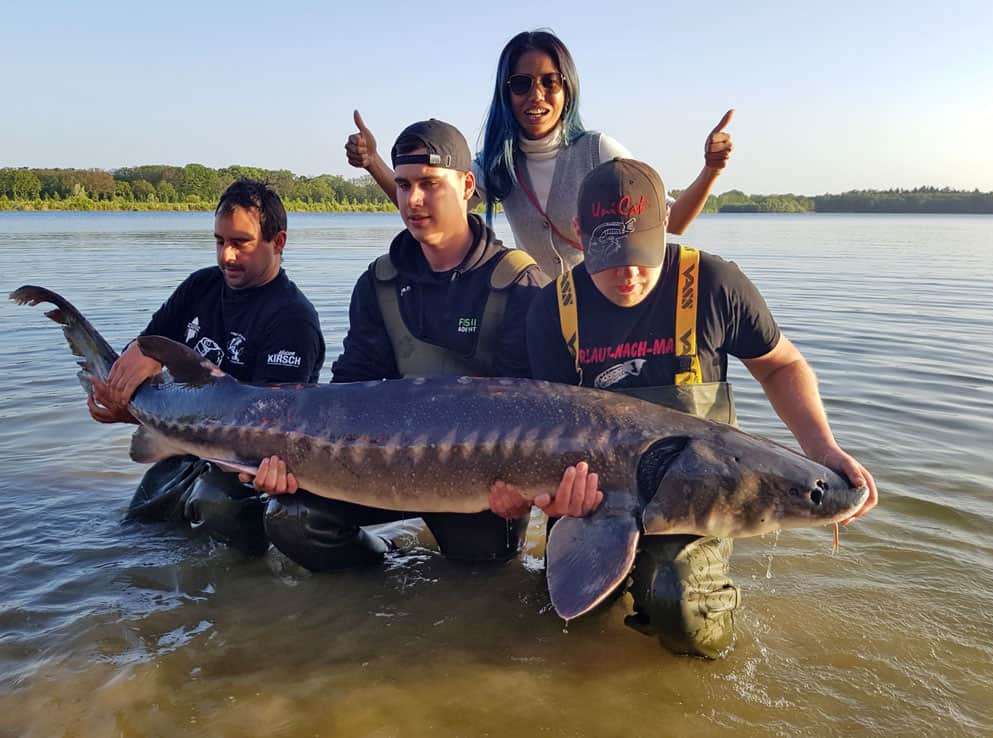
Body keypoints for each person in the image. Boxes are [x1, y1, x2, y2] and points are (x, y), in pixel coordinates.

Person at [489, 158, 878, 658]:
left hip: (701, 490)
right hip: (595, 493)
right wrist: (548, 497)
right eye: (608, 255)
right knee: (564, 623)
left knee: (684, 613)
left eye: (640, 252)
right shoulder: (553, 307)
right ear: (578, 232)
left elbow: (781, 366)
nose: (627, 272)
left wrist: (821, 447)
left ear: (666, 221)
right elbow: (547, 431)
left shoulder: (714, 283)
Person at [252, 119, 553, 570]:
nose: (413, 200)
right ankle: (384, 580)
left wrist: (524, 489)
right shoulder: (379, 282)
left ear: (467, 185)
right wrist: (291, 460)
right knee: (291, 518)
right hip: (384, 467)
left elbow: (536, 414)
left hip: (480, 484)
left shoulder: (520, 282)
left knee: (481, 586)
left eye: (429, 184)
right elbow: (349, 393)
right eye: (403, 185)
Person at [344, 29, 733, 278]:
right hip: (545, 310)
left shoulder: (599, 151)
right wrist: (374, 162)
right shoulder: (498, 161)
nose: (537, 95)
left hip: (609, 310)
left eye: (550, 82)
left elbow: (674, 221)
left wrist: (711, 169)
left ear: (568, 89)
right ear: (505, 92)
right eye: (521, 83)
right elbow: (432, 204)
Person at [88, 178, 326, 553]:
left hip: (246, 474)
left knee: (217, 504)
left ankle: (246, 586)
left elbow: (269, 433)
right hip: (188, 449)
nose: (226, 256)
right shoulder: (201, 286)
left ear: (277, 242)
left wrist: (146, 416)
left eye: (240, 243)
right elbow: (144, 351)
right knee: (132, 537)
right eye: (220, 241)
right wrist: (126, 383)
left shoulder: (293, 319)